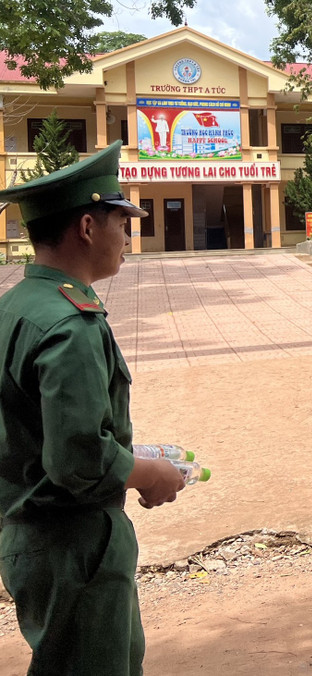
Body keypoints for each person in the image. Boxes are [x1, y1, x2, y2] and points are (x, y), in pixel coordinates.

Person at [0, 140, 186, 674]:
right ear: (87, 227)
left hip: (29, 530)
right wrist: (150, 473)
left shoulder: (16, 305)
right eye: (122, 223)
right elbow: (78, 458)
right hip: (75, 543)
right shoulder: (70, 324)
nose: (128, 238)